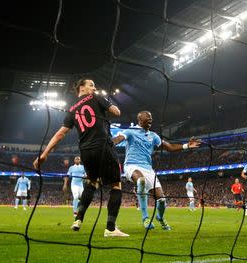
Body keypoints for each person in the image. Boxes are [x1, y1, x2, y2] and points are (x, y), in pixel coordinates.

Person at [33, 78, 128, 237]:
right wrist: (105, 105)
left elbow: (60, 134)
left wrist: (44, 154)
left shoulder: (72, 110)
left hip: (85, 151)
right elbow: (117, 112)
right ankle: (110, 228)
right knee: (116, 185)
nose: (94, 88)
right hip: (103, 146)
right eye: (91, 85)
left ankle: (78, 220)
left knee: (92, 182)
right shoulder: (96, 98)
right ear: (82, 88)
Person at [113, 110, 201, 230]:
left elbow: (169, 147)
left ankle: (160, 217)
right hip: (131, 165)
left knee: (161, 199)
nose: (150, 119)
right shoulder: (130, 132)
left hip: (148, 168)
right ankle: (145, 219)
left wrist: (186, 145)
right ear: (139, 119)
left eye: (151, 117)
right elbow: (118, 139)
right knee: (141, 181)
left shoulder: (153, 136)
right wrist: (110, 142)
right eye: (147, 116)